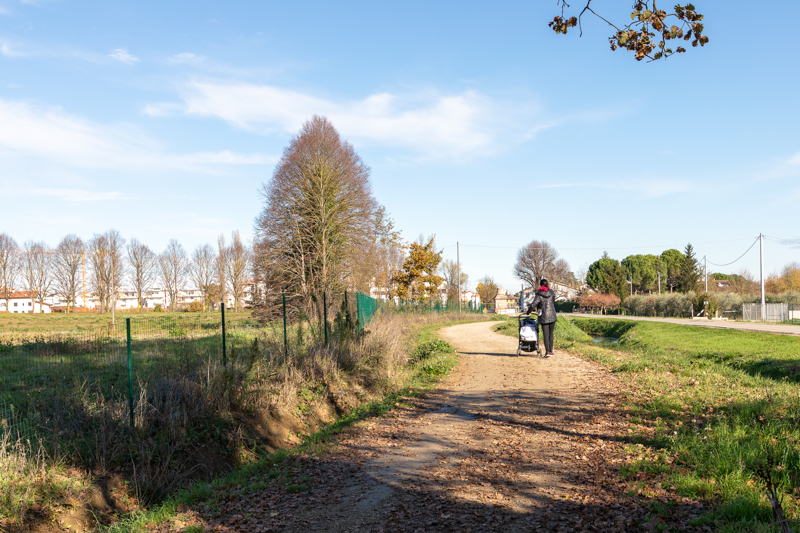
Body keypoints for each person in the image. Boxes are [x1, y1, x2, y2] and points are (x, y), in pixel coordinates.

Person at [526, 279, 557, 357]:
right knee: (551, 334)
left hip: (544, 316)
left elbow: (533, 305)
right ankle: (551, 351)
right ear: (547, 284)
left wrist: (528, 312)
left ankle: (547, 352)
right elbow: (553, 302)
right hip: (552, 315)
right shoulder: (552, 292)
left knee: (546, 335)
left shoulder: (539, 294)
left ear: (540, 285)